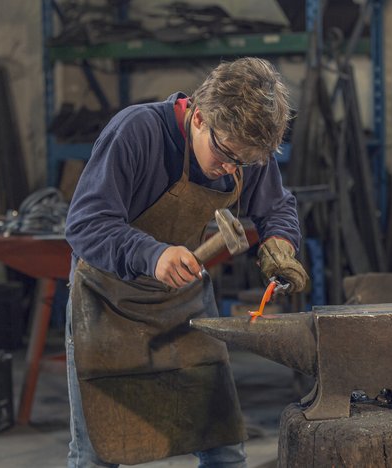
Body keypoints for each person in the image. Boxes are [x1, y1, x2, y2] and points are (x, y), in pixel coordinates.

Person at [64, 57, 309, 467]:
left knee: (224, 449)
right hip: (108, 307)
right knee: (97, 453)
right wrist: (152, 253)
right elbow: (86, 224)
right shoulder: (136, 132)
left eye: (243, 163)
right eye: (226, 153)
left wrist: (279, 243)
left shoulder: (242, 152)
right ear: (198, 117)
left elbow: (276, 205)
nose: (231, 169)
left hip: (185, 309)